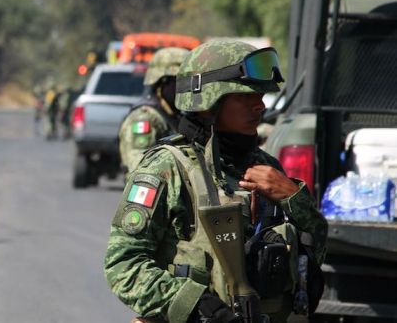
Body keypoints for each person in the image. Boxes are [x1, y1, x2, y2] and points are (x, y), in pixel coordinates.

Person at [104, 40, 328, 322]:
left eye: (259, 96)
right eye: (244, 97)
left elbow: (316, 252)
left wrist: (294, 197)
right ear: (208, 104)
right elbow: (123, 265)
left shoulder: (267, 167)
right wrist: (196, 304)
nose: (259, 106)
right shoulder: (168, 167)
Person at [118, 47, 188, 173]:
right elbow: (139, 166)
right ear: (163, 82)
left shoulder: (174, 116)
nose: (187, 88)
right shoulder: (145, 118)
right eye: (180, 81)